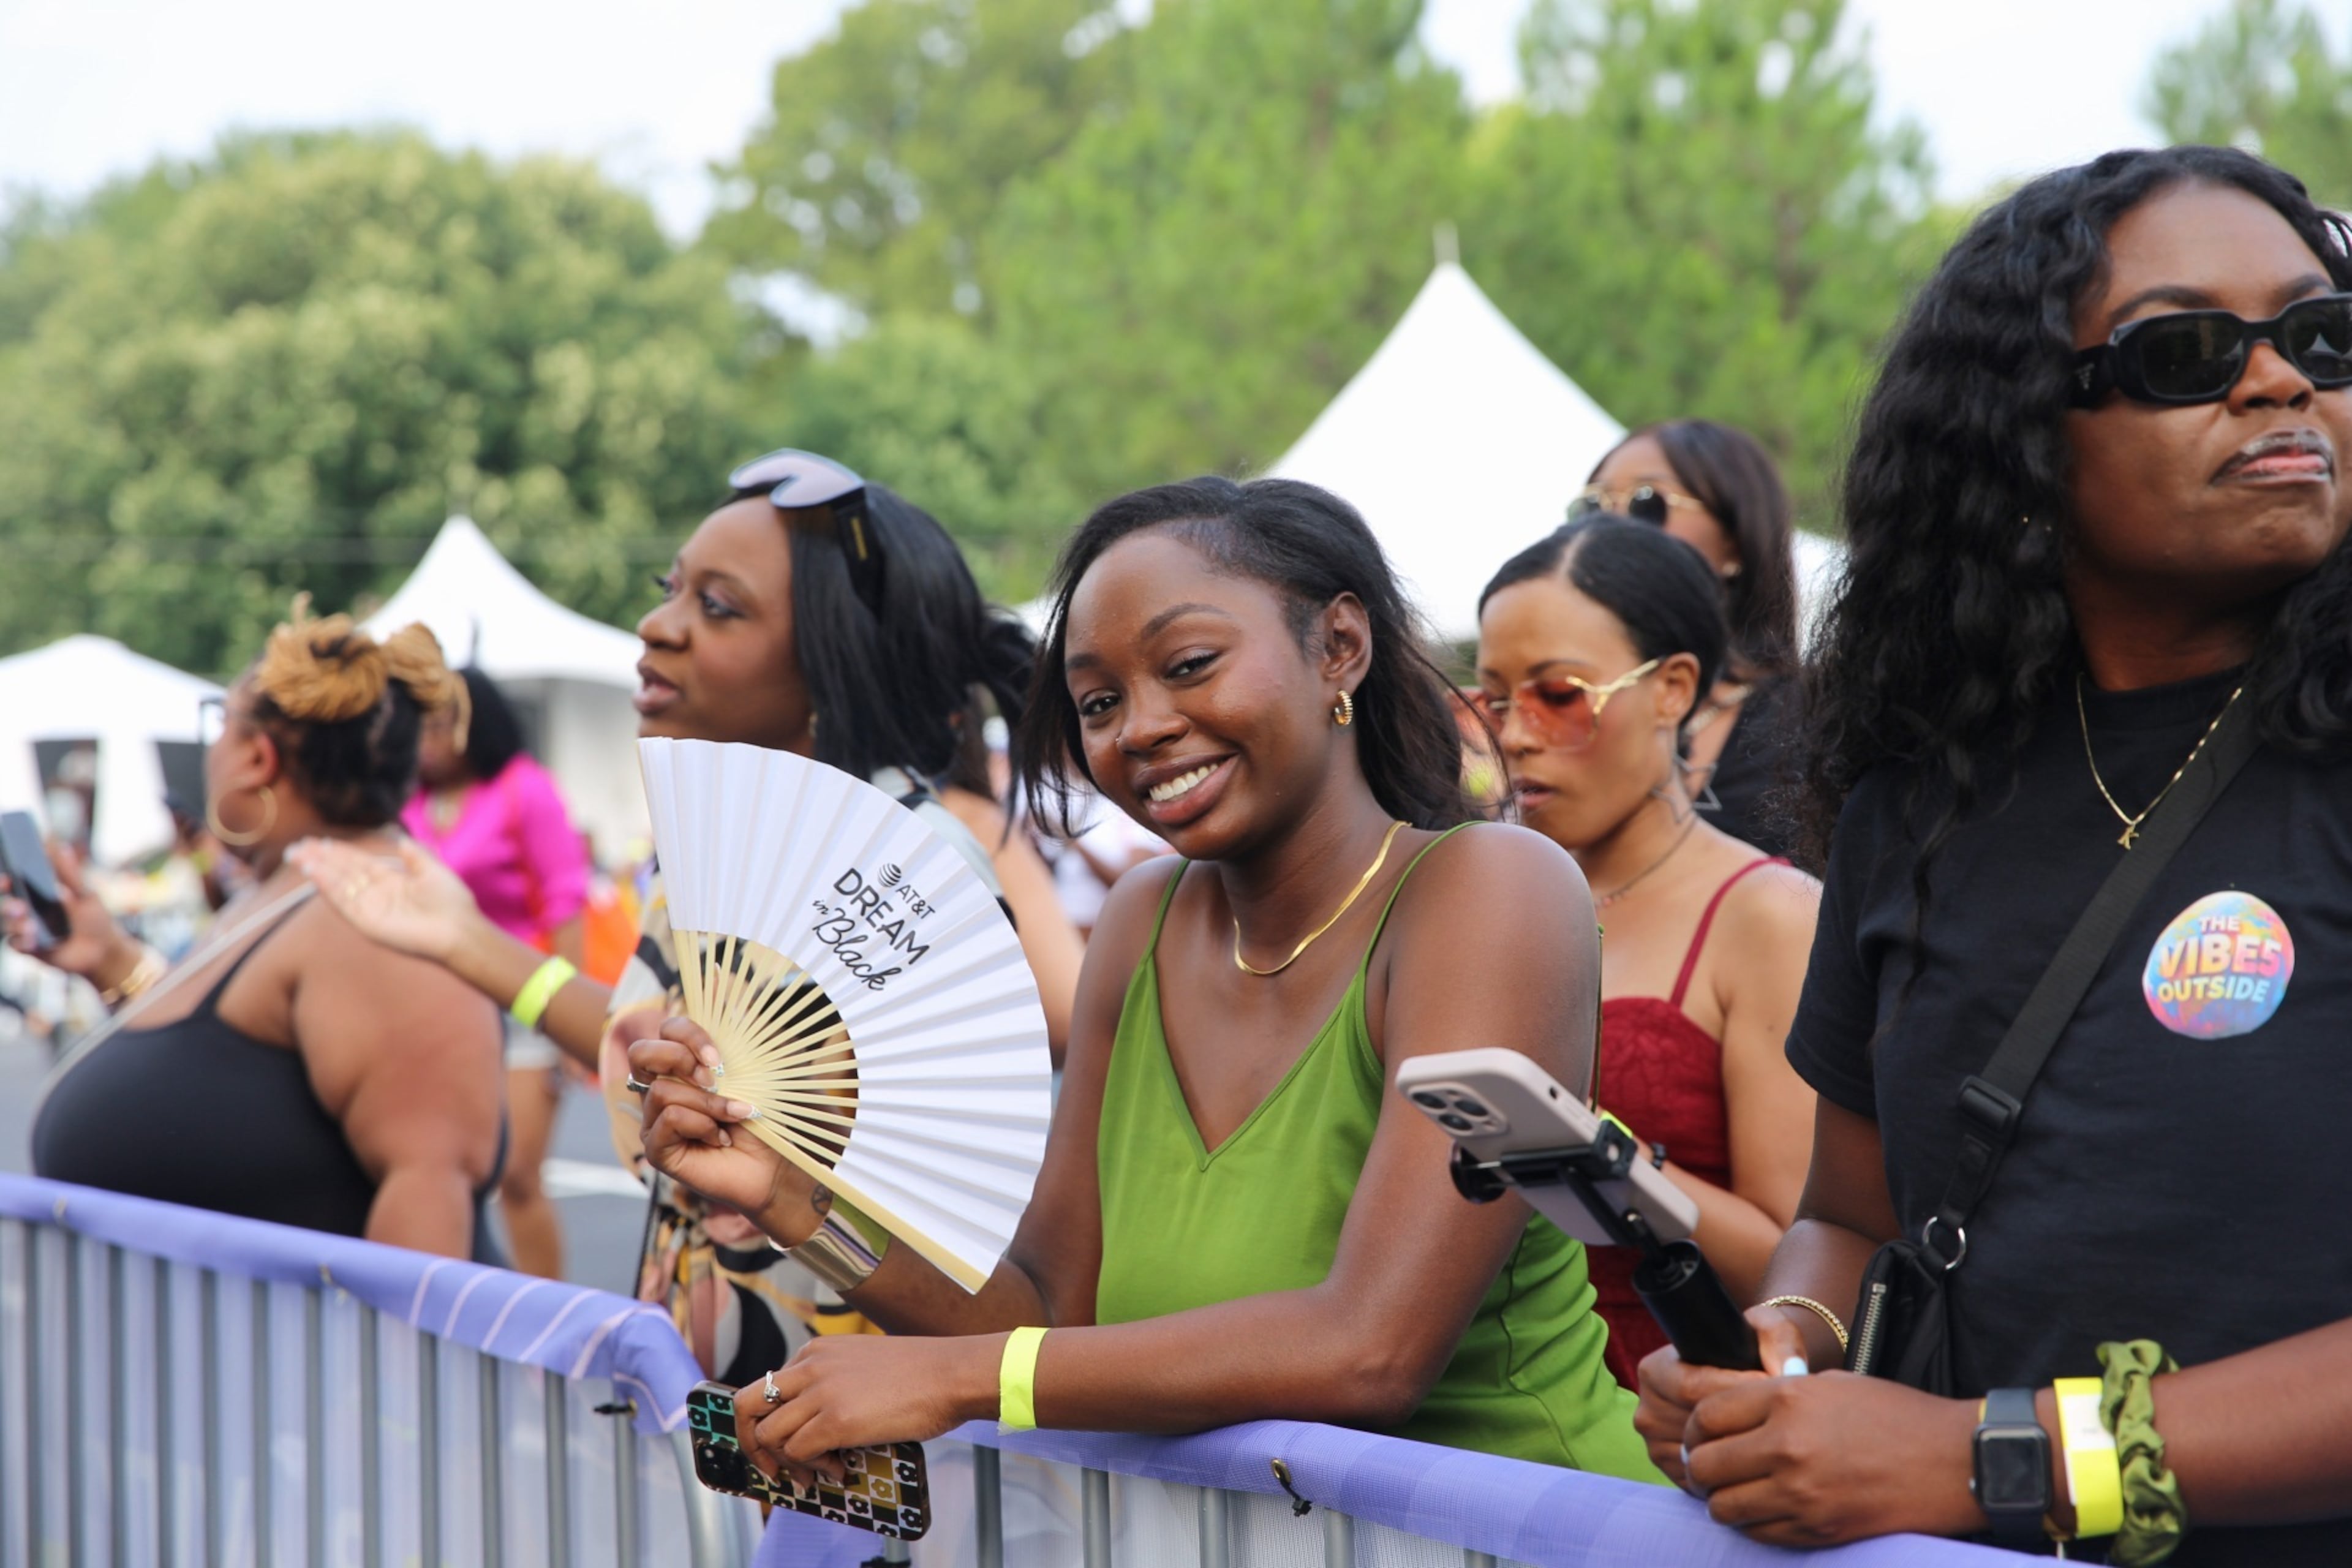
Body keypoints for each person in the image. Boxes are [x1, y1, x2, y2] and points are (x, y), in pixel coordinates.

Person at [625, 476, 1662, 1480]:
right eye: (1099, 701)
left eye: (1191, 663)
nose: (1142, 727)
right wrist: (786, 1193)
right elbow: (1042, 1315)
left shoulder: (1489, 888)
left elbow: (1372, 1350)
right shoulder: (1143, 920)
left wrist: (953, 1379)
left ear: (1340, 647)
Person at [1638, 146, 2352, 1563]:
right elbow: (1852, 1214)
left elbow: (1967, 1461)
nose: (2278, 381)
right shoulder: (1918, 797)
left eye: (2322, 336)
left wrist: (1986, 1459)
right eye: (2185, 353)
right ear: (2019, 442)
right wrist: (1782, 1350)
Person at [294, 448, 1080, 1381]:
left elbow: (947, 1199)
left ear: (832, 659)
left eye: (718, 606)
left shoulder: (912, 862)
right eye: (670, 590)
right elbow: (647, 1042)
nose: (656, 626)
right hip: (701, 1380)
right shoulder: (722, 839)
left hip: (859, 1401)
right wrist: (459, 937)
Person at [13, 605, 503, 1260]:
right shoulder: (298, 889)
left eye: (220, 722)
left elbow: (424, 1253)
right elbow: (229, 1086)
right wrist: (111, 960)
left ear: (256, 757)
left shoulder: (376, 919)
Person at [1476, 516, 1817, 1390]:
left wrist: (1607, 1160)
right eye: (1495, 702)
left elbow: (1802, 1265)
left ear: (1672, 689)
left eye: (1559, 696)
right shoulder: (1479, 901)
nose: (1516, 736)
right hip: (1479, 1404)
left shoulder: (1768, 915)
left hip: (1668, 1407)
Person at [402, 666, 590, 1280]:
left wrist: (569, 1024)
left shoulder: (524, 789)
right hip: (443, 1007)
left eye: (441, 726)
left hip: (525, 1002)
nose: (427, 741)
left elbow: (566, 901)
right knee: (447, 1170)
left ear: (474, 725)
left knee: (518, 1175)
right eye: (421, 727)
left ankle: (548, 1317)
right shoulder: (415, 800)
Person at [1576, 421, 1801, 858]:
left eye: (1646, 502)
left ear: (1735, 542)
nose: (1610, 527)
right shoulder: (1561, 703)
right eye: (1593, 507)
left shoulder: (1809, 720)